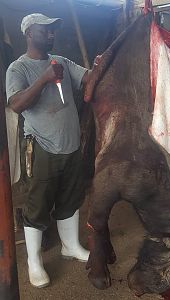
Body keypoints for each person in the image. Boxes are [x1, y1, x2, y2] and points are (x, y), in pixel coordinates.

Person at [6, 13, 101, 288]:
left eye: (52, 31)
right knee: (37, 206)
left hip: (71, 146)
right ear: (28, 34)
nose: (51, 34)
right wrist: (45, 79)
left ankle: (69, 246)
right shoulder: (18, 68)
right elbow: (17, 105)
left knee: (70, 199)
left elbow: (89, 79)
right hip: (41, 147)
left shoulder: (61, 61)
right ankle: (34, 261)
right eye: (45, 30)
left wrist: (97, 67)